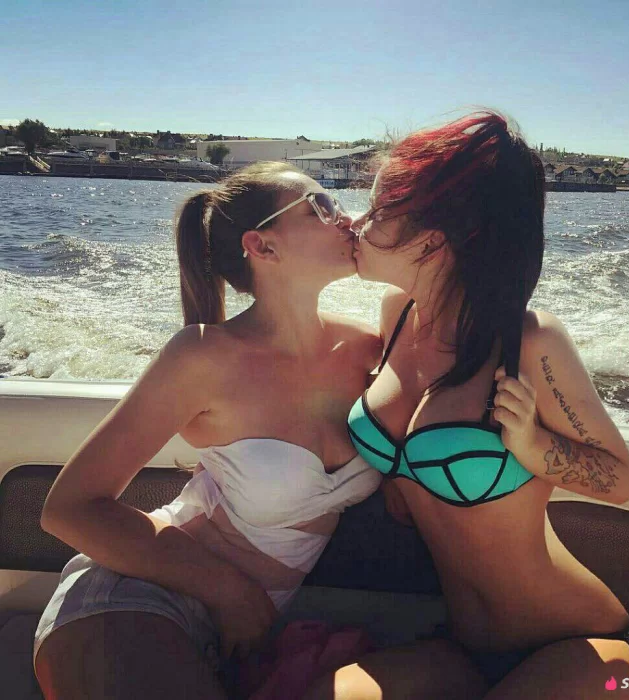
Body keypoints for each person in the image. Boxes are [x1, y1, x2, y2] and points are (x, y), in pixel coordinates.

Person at [305, 113, 629, 699]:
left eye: (377, 211)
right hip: (462, 647)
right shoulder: (395, 316)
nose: (357, 222)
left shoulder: (528, 341)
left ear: (432, 241)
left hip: (581, 646)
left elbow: (620, 480)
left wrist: (534, 444)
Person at [32, 162, 385, 699]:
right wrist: (231, 593)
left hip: (234, 639)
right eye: (321, 206)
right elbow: (70, 509)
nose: (347, 218)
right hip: (135, 597)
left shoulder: (369, 348)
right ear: (262, 246)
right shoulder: (203, 356)